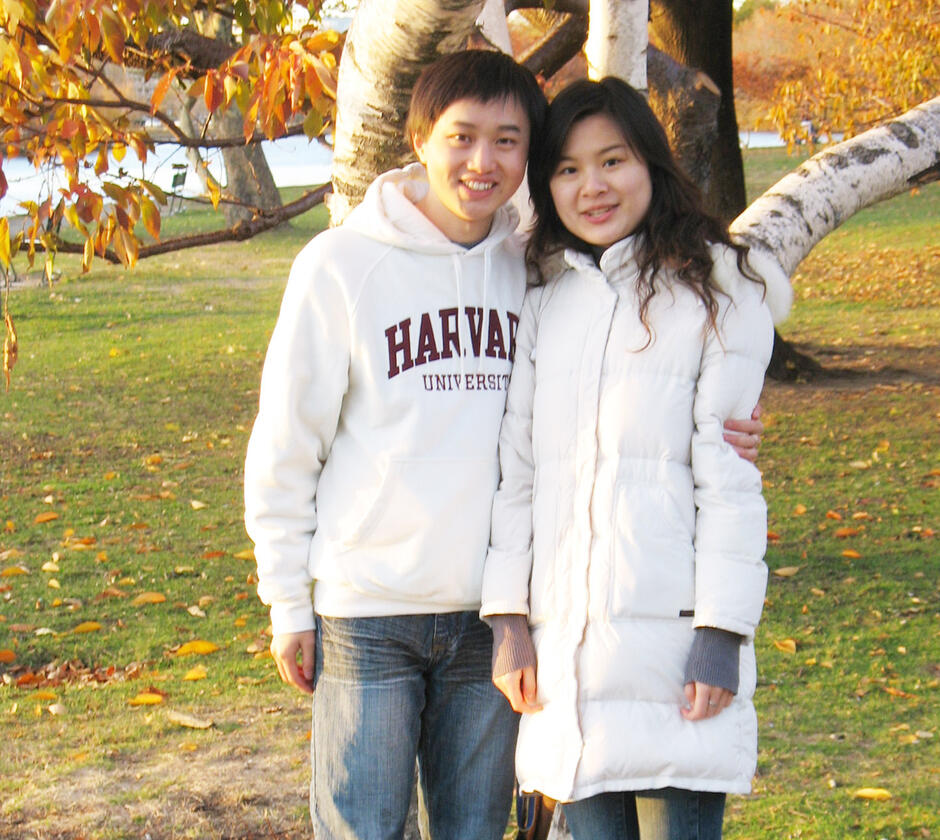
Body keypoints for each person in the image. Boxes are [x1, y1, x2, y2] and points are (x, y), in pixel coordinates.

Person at [245, 50, 765, 840]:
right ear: (420, 137)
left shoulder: (531, 269)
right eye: (461, 136)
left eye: (509, 141)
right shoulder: (340, 266)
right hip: (369, 610)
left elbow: (623, 402)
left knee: (476, 831)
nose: (482, 162)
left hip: (493, 625)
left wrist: (724, 418)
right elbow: (286, 446)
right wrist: (288, 600)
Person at [481, 77, 792, 840]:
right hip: (566, 666)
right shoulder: (544, 299)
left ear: (650, 162)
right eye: (567, 169)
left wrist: (721, 636)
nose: (593, 187)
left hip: (676, 663)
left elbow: (729, 486)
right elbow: (518, 475)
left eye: (612, 160)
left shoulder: (720, 291)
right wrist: (509, 622)